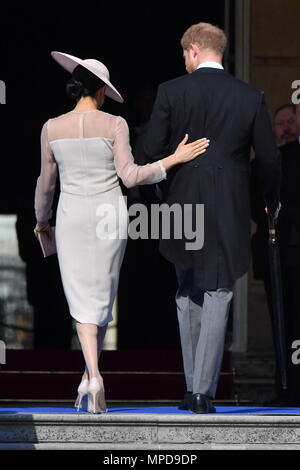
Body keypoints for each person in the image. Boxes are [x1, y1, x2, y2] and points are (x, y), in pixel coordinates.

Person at [33, 51, 210, 414]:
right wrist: (171, 160)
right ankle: (91, 376)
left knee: (82, 299)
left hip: (71, 215)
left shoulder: (51, 127)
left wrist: (41, 219)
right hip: (108, 215)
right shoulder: (115, 125)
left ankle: (91, 377)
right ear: (100, 92)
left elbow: (45, 186)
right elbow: (130, 177)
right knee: (100, 298)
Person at [144, 22, 281, 413]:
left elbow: (150, 151)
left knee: (187, 290)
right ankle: (202, 391)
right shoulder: (250, 97)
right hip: (228, 207)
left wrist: (162, 193)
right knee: (219, 291)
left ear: (192, 50)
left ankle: (194, 387)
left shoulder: (171, 91)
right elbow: (269, 160)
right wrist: (263, 204)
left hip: (179, 205)